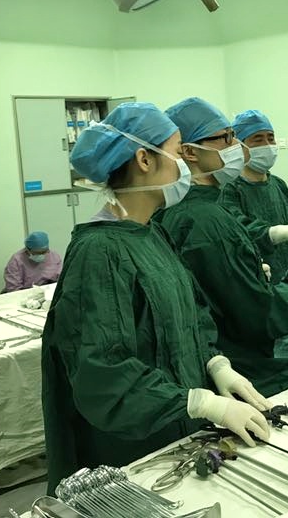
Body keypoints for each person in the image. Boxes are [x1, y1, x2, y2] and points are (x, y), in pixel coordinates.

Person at [41, 102, 270, 494]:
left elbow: (191, 311)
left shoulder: (151, 233)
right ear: (144, 160)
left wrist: (215, 364)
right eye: (178, 151)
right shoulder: (100, 252)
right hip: (129, 450)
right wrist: (201, 404)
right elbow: (103, 373)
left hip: (175, 432)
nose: (185, 165)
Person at [156, 97, 288, 396]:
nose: (237, 146)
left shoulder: (186, 209)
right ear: (189, 152)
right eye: (226, 138)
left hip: (215, 354)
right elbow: (264, 318)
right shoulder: (206, 220)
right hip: (238, 366)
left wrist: (252, 270)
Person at [219, 109, 288, 282]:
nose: (267, 145)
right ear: (239, 146)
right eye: (258, 139)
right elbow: (240, 234)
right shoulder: (228, 189)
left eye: (270, 138)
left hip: (287, 282)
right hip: (253, 282)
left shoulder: (279, 185)